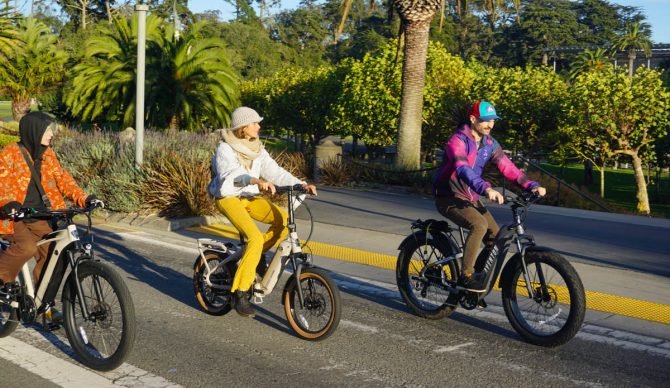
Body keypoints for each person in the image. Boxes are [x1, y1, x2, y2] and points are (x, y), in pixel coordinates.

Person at [208, 107, 316, 317]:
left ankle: (254, 258)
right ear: (243, 127)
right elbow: (231, 175)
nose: (259, 126)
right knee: (255, 239)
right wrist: (254, 180)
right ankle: (239, 293)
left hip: (249, 197)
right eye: (255, 123)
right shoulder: (226, 149)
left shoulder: (256, 147)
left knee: (284, 221)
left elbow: (275, 171)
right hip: (228, 197)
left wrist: (301, 185)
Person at [433, 101, 546, 292]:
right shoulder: (457, 141)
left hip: (471, 197)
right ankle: (466, 277)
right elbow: (463, 169)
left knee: (496, 238)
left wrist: (531, 185)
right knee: (479, 225)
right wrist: (485, 188)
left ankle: (478, 279)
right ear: (473, 119)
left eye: (493, 120)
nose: (490, 125)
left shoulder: (490, 143)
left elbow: (507, 167)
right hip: (448, 196)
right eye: (485, 121)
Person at [0, 112, 102, 323]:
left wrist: (85, 198)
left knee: (56, 252)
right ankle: (2, 280)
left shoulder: (48, 154)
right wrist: (8, 203)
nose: (51, 134)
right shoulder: (9, 153)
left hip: (42, 215)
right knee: (27, 247)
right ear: (35, 131)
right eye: (48, 130)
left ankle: (44, 302)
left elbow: (64, 180)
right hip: (14, 217)